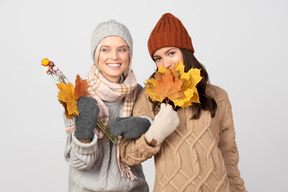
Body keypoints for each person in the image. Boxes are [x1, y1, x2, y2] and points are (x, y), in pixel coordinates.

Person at [115, 13, 247, 192]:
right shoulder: (149, 97)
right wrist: (155, 134)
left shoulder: (218, 96)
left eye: (171, 53)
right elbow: (127, 156)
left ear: (185, 52)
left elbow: (229, 157)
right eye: (158, 58)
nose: (166, 63)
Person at [64, 19, 149, 192]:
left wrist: (146, 124)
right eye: (105, 49)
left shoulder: (141, 93)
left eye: (122, 50)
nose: (114, 57)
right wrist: (84, 132)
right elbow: (80, 162)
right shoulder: (78, 94)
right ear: (96, 54)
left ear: (129, 54)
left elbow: (151, 145)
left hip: (133, 188)